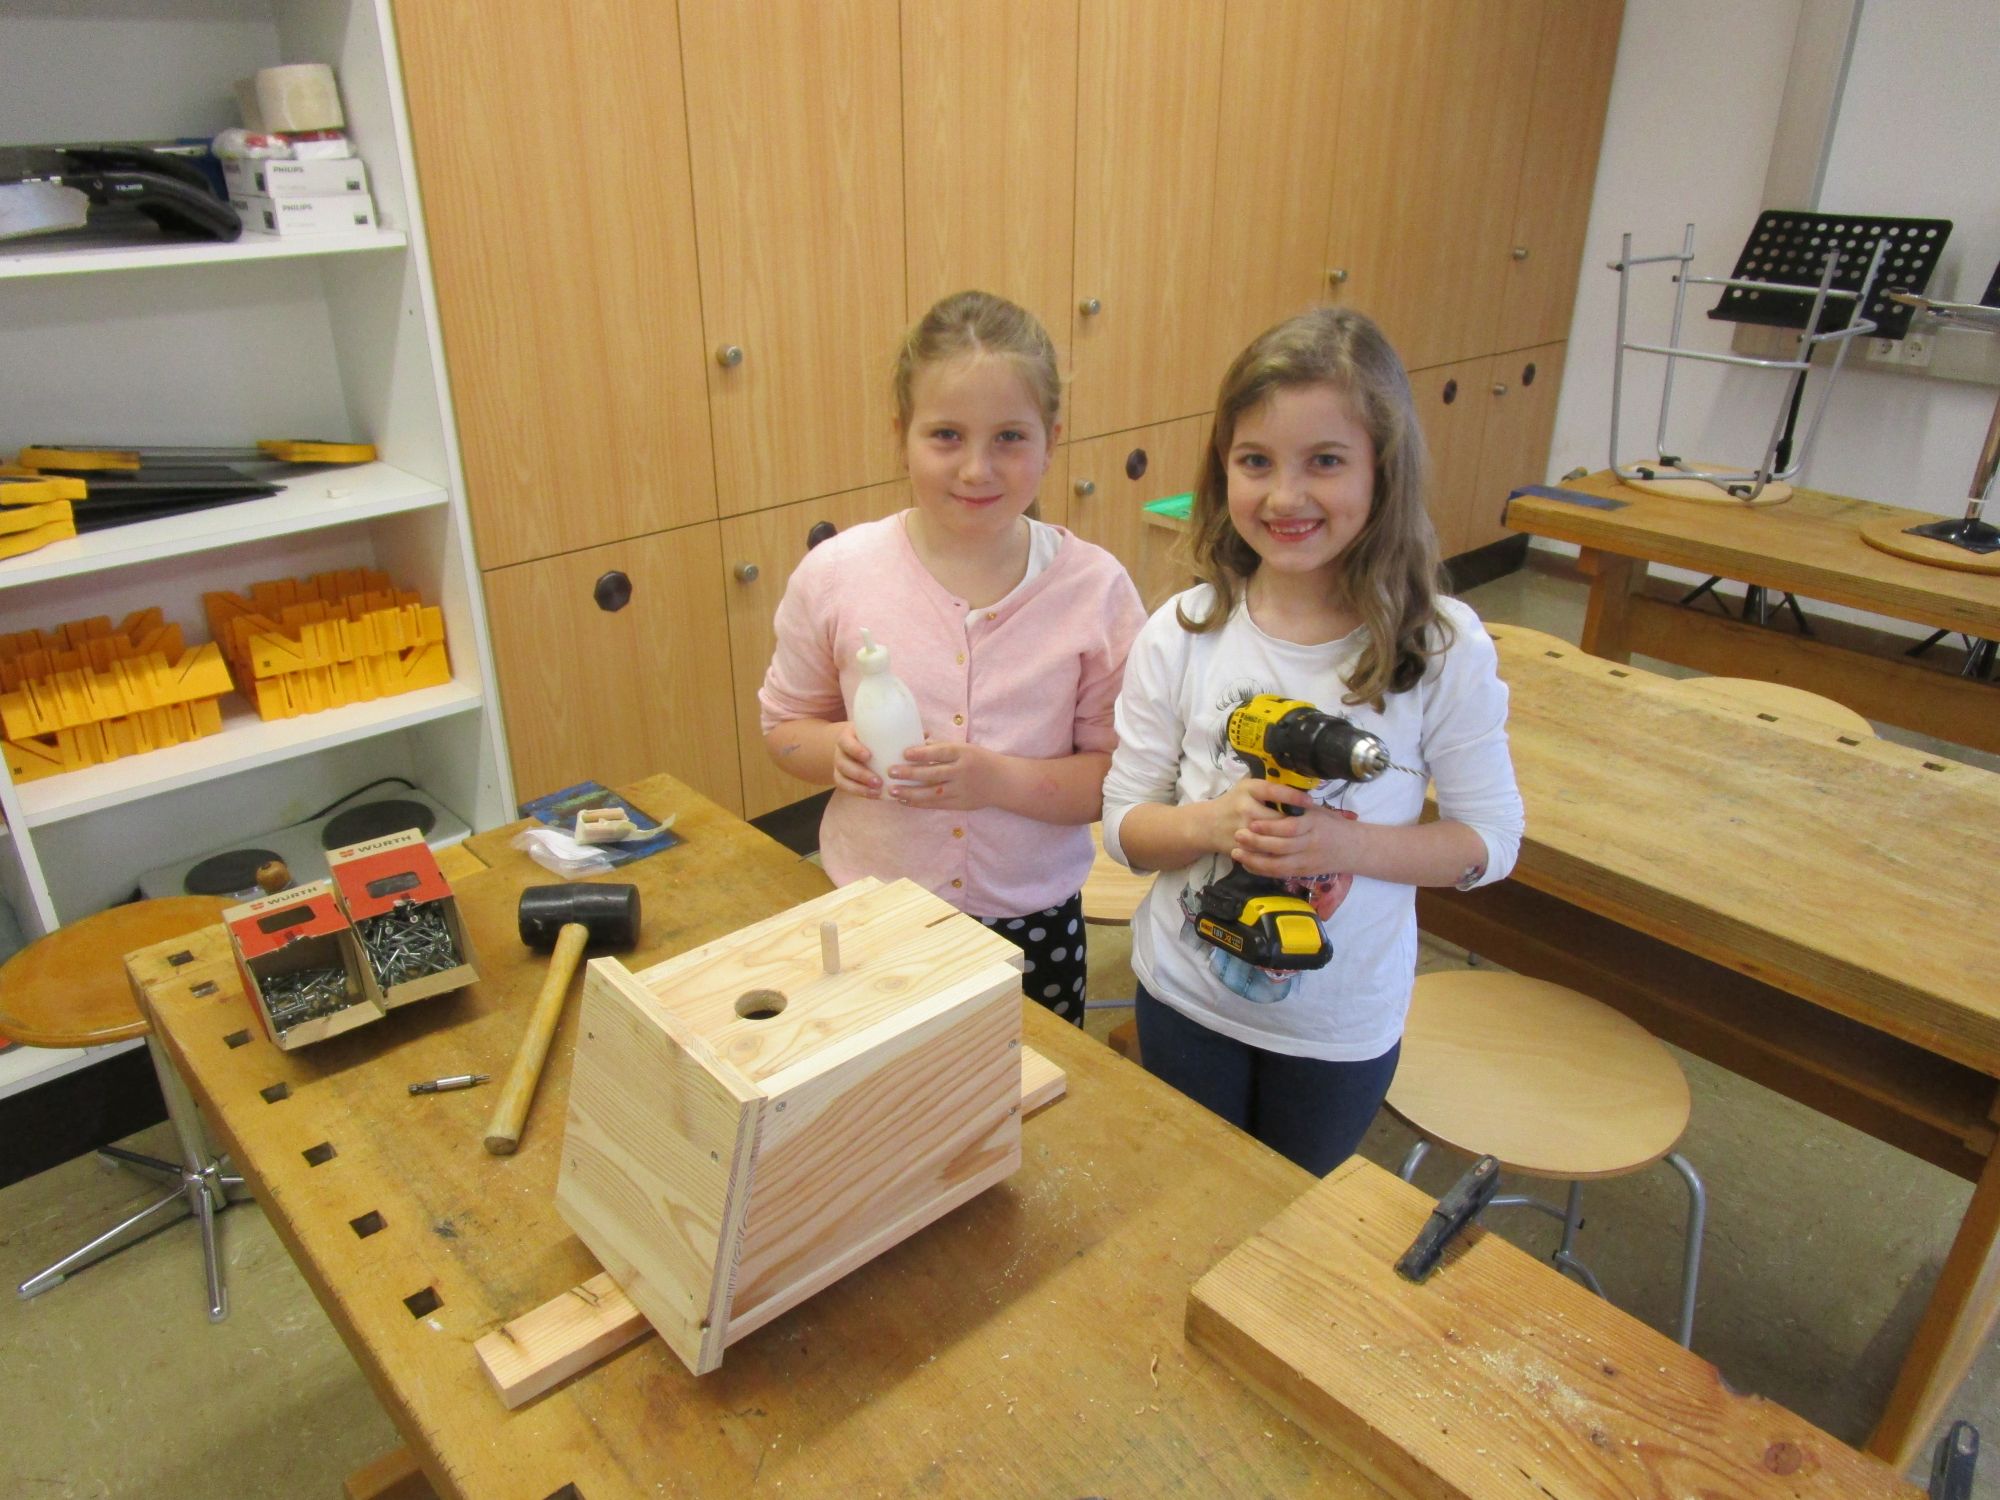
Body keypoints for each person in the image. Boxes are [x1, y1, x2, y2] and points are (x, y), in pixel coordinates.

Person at [1101, 306, 1524, 1170]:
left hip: (1339, 1030)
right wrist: (1212, 825)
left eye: (1325, 461)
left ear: (1382, 470)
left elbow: (1491, 842)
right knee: (1191, 1200)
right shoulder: (1182, 632)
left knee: (1295, 1212)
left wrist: (1344, 845)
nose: (1285, 497)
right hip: (1183, 999)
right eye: (1255, 461)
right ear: (1221, 470)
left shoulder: (1439, 648)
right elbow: (1124, 830)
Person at [759, 290, 1147, 1024]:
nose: (976, 469)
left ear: (1052, 440)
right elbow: (784, 728)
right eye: (945, 436)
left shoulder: (1095, 591)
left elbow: (1118, 779)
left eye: (1009, 438)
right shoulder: (838, 575)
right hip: (874, 909)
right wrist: (832, 750)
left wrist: (995, 780)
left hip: (1030, 916)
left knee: (1031, 1081)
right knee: (885, 1079)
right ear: (901, 434)